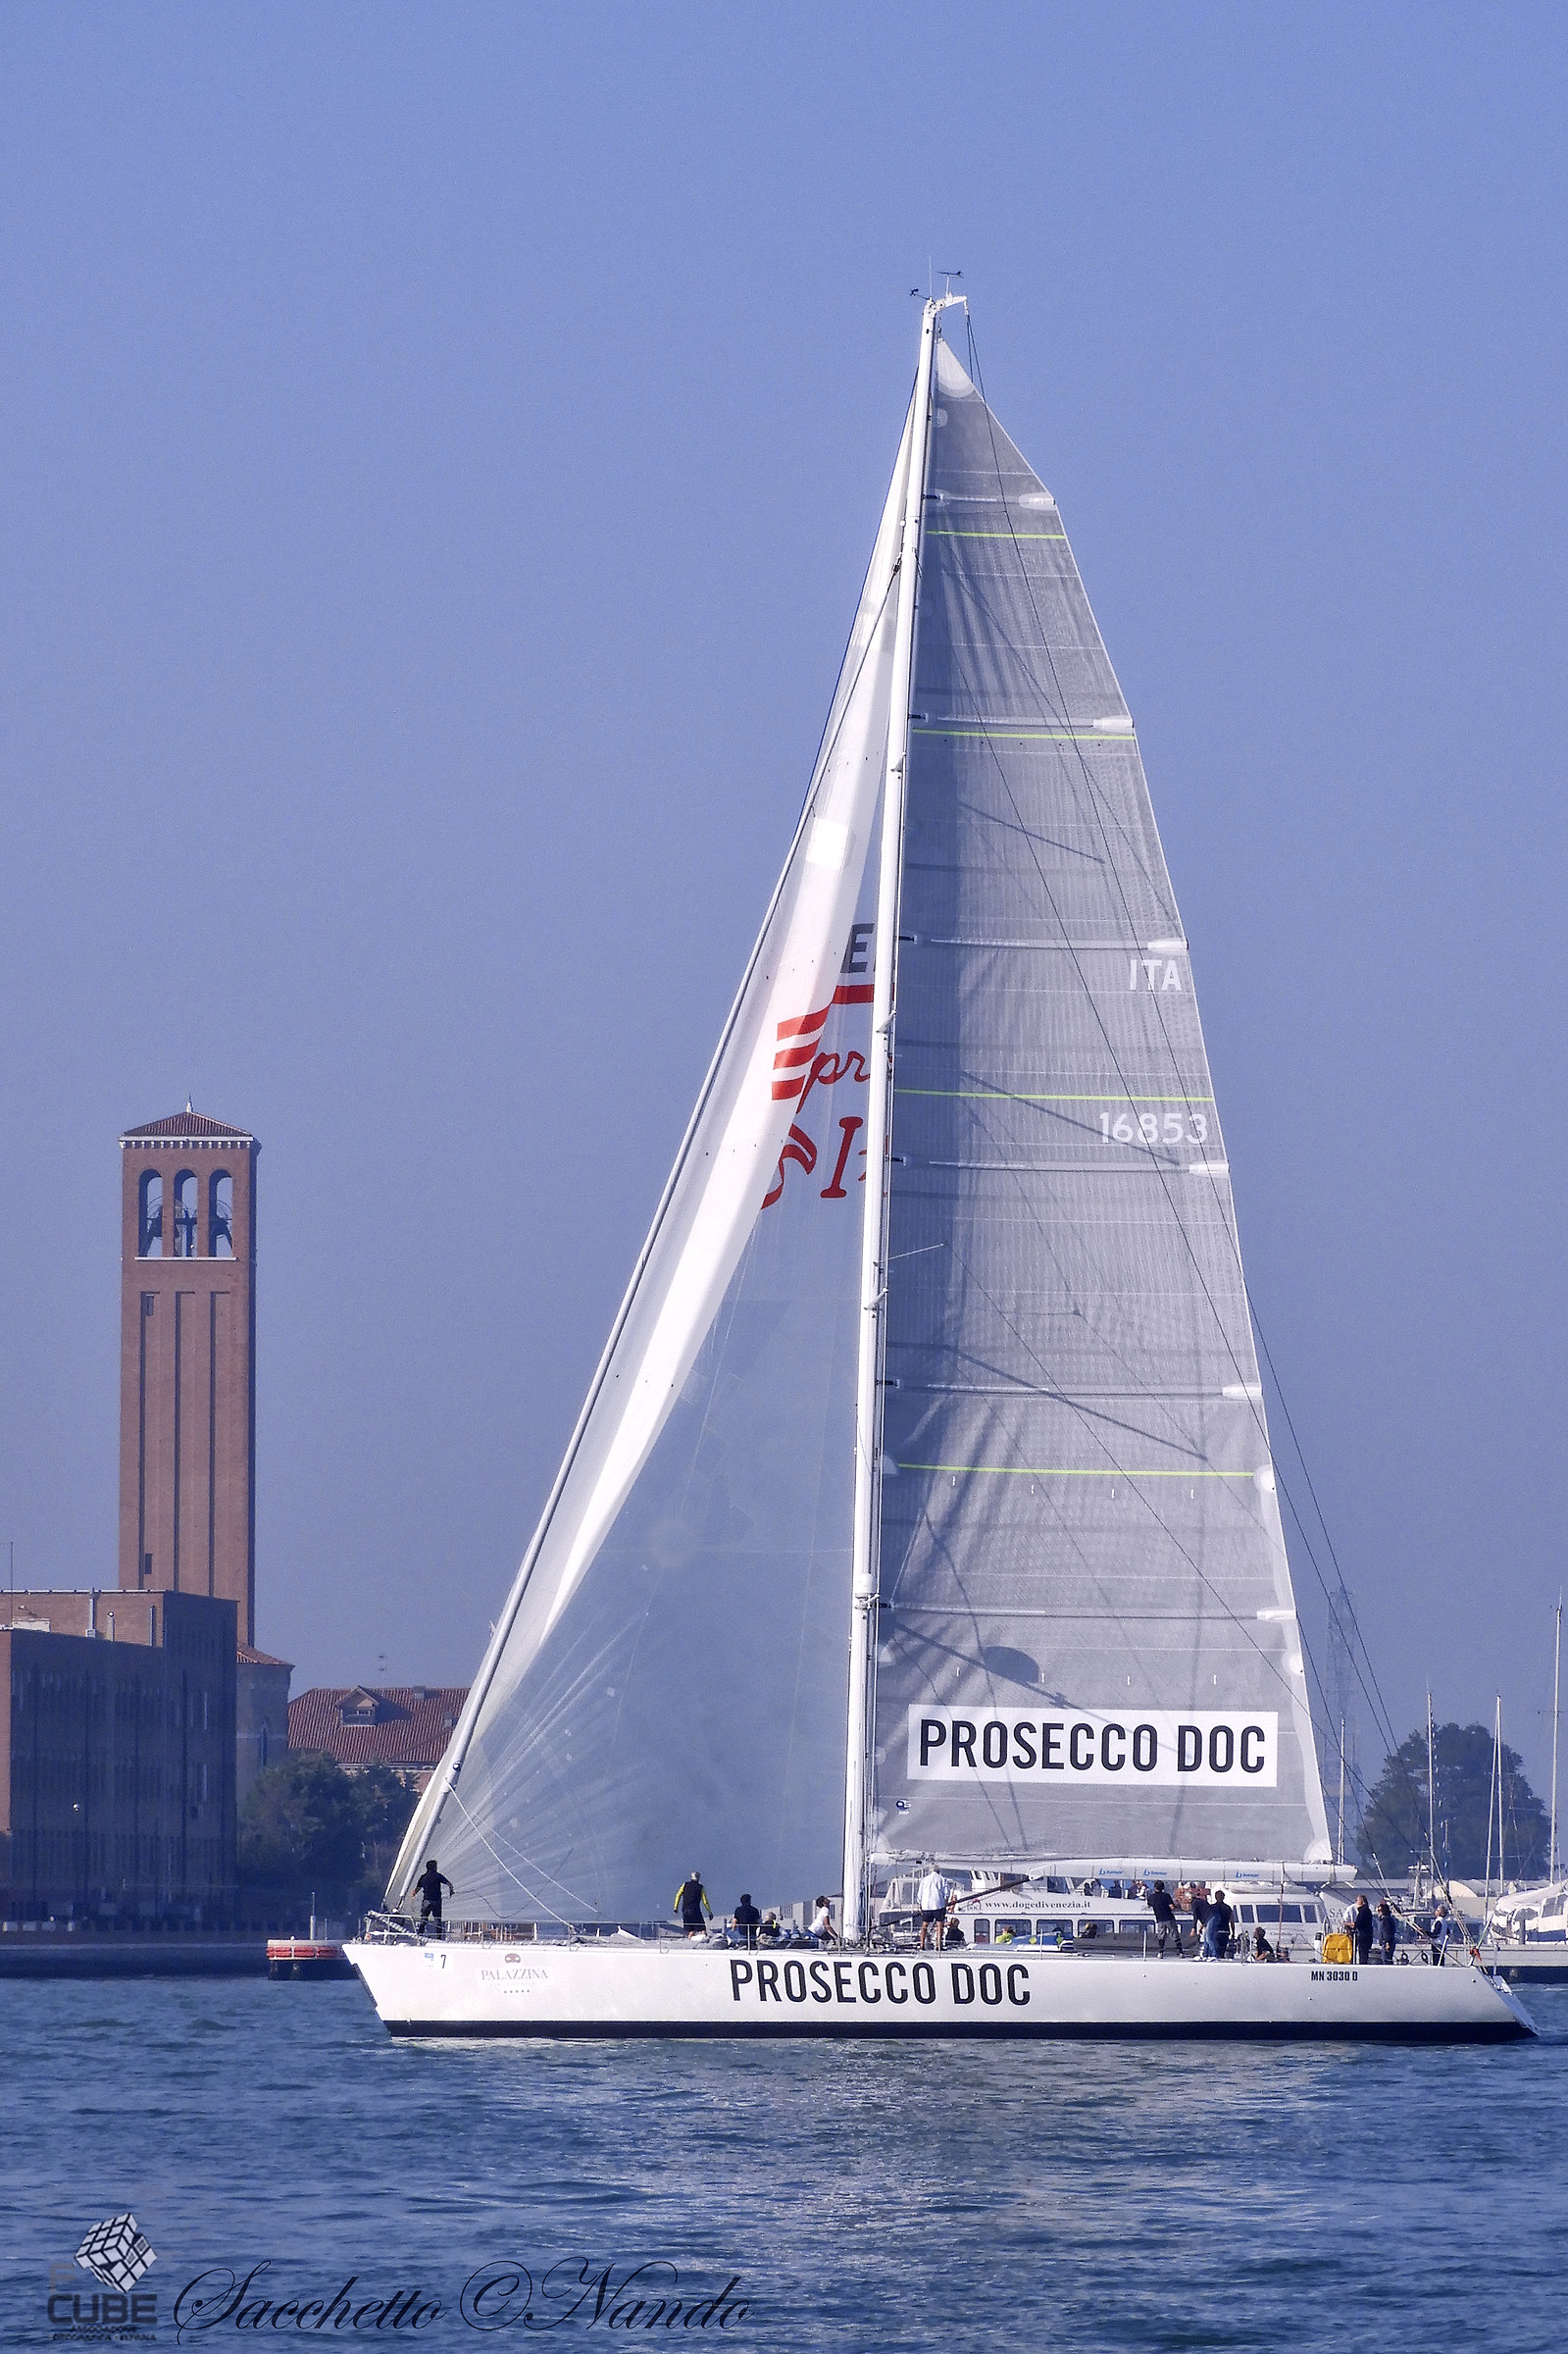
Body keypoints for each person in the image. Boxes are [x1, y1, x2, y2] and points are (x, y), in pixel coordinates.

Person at [916, 1860, 950, 1951]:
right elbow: (946, 1893)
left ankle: (922, 1945)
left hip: (926, 1905)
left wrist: (919, 1905)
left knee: (924, 1925)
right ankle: (938, 1945)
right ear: (939, 1871)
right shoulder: (942, 1879)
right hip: (938, 1904)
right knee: (940, 1925)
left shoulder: (924, 1880)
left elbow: (920, 1893)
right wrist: (945, 1904)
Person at [416, 1858, 453, 1939]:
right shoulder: (438, 1875)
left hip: (426, 1900)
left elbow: (417, 1889)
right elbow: (449, 1884)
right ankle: (438, 1937)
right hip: (436, 1901)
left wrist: (413, 1895)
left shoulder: (423, 1877)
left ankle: (420, 1934)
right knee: (437, 1919)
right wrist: (451, 1891)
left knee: (423, 1918)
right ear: (434, 1867)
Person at [1145, 1878, 1183, 1959]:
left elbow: (1149, 1905)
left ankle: (1160, 1952)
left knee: (1161, 1936)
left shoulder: (1151, 1897)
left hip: (1159, 1919)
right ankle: (1180, 1952)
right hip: (1169, 1918)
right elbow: (1172, 1907)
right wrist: (1179, 1907)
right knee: (1174, 1935)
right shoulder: (1166, 1896)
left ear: (1155, 1887)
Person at [674, 1869, 712, 1938]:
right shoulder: (700, 1887)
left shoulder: (685, 1885)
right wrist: (709, 1913)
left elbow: (678, 1895)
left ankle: (689, 1941)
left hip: (685, 1910)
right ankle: (705, 1942)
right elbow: (705, 1901)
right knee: (702, 1929)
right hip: (695, 1910)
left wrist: (675, 1907)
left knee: (691, 1930)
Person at [1202, 1888, 1235, 1960]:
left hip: (1215, 1931)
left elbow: (1207, 1920)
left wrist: (1201, 1928)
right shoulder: (1228, 1908)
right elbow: (1232, 1921)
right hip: (1225, 1931)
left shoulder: (1212, 1907)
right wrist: (1233, 1933)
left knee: (1215, 1951)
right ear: (1224, 1897)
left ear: (1215, 1897)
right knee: (1222, 1952)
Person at [1352, 1893, 1375, 1966]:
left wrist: (1347, 1924)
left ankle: (1363, 1966)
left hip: (1364, 1936)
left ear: (1362, 1902)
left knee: (1363, 1954)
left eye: (1357, 1900)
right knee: (1364, 1954)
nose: (1356, 1902)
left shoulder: (1364, 1911)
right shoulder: (1367, 1911)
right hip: (1367, 1936)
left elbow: (1358, 1924)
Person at [1377, 1899, 1396, 1966]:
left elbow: (1388, 1932)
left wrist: (1387, 1942)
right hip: (1385, 1943)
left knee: (1386, 1960)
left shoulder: (1386, 1920)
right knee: (1385, 1959)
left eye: (1379, 1910)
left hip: (1387, 1943)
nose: (1378, 1912)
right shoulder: (1385, 1919)